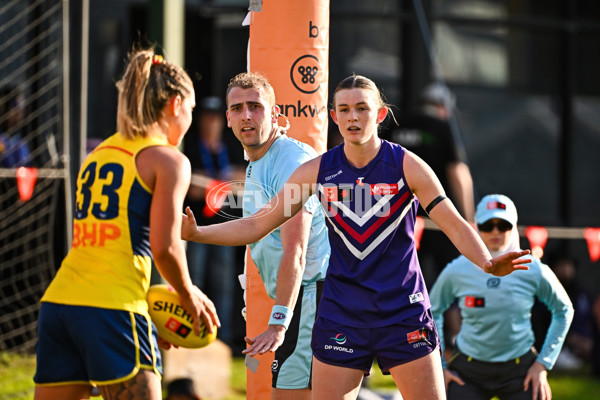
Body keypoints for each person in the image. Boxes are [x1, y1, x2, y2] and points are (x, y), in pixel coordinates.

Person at [182, 74, 531, 400]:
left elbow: (454, 223)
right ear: (334, 116)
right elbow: (257, 225)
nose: (353, 117)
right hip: (343, 313)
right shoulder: (317, 171)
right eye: (345, 109)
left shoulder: (407, 165)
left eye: (362, 108)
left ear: (379, 114)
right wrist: (197, 233)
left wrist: (486, 261)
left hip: (402, 311)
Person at [33, 48, 220, 400]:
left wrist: (159, 310)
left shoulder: (99, 153)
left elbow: (110, 246)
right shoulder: (169, 161)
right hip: (113, 309)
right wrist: (187, 295)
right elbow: (164, 248)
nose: (191, 120)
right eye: (192, 111)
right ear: (175, 104)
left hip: (59, 305)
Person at [188, 72, 330, 400]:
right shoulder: (256, 160)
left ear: (275, 114)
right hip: (305, 299)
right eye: (237, 108)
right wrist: (194, 233)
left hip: (313, 298)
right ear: (228, 118)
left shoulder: (291, 160)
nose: (246, 115)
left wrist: (279, 322)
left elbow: (296, 250)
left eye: (256, 106)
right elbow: (252, 227)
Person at [429, 194, 574, 400]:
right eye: (488, 225)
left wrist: (542, 365)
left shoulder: (532, 268)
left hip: (520, 370)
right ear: (476, 227)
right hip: (468, 372)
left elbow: (564, 310)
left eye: (503, 225)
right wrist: (440, 366)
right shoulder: (457, 269)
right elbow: (432, 311)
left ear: (514, 227)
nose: (495, 231)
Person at [387, 82, 475, 288]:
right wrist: (468, 219)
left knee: (398, 277)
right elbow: (457, 172)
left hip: (394, 214)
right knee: (449, 281)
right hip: (436, 214)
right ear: (444, 107)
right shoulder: (441, 127)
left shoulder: (395, 124)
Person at [183, 95, 245, 346]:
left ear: (223, 121)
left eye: (216, 118)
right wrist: (221, 184)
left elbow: (244, 180)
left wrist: (211, 184)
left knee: (224, 281)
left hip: (226, 225)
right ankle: (191, 332)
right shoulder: (190, 148)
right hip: (196, 225)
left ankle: (224, 338)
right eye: (207, 118)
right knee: (193, 278)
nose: (212, 123)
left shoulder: (230, 146)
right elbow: (190, 187)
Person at [0, 85, 31, 167]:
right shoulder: (2, 139)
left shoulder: (19, 142)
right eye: (16, 107)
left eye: (22, 108)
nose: (20, 113)